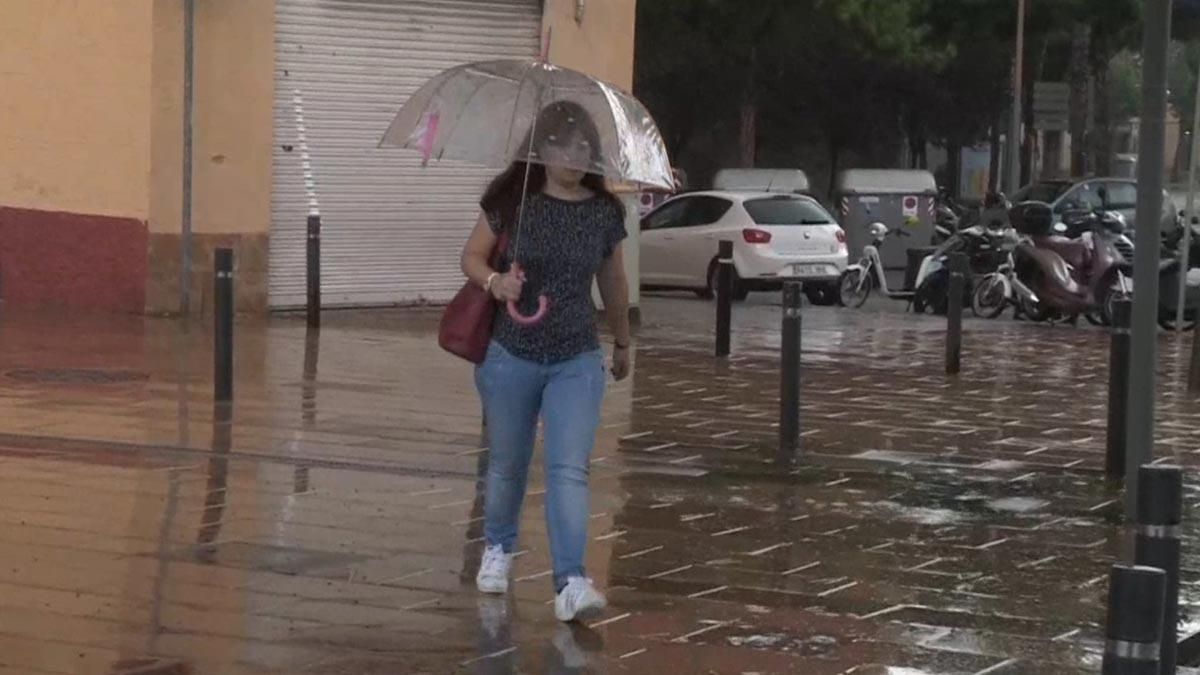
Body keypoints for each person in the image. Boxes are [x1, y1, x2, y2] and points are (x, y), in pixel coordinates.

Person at [459, 100, 632, 622]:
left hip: (576, 358)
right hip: (511, 354)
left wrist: (622, 339)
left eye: (584, 147)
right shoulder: (514, 201)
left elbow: (613, 280)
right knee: (508, 464)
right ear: (541, 147)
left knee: (568, 469)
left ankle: (570, 582)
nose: (574, 156)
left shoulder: (605, 213)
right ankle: (498, 547)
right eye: (562, 145)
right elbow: (471, 256)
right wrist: (496, 282)